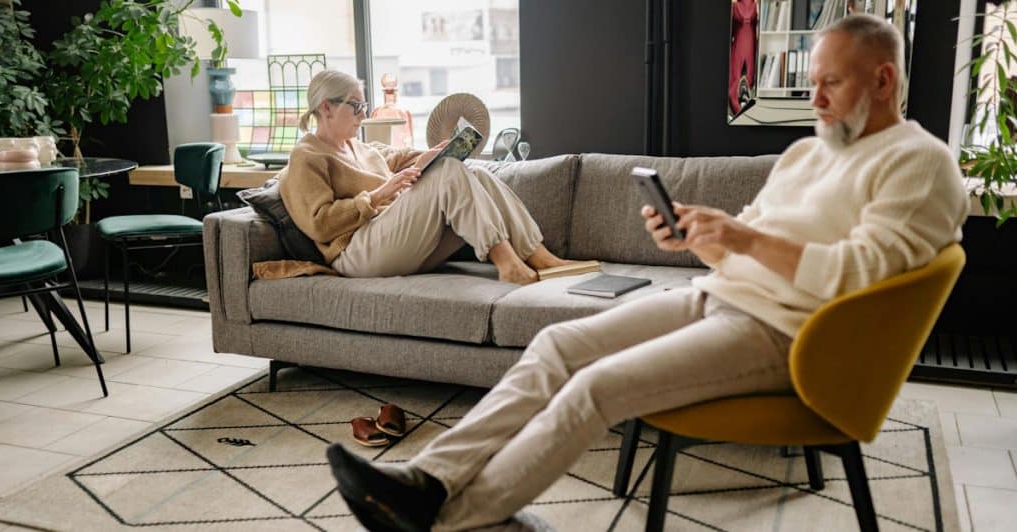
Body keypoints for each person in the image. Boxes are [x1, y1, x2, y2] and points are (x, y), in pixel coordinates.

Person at [326, 14, 969, 532]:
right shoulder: (808, 152)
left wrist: (741, 235)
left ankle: (455, 521)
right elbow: (739, 253)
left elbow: (858, 278)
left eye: (833, 83)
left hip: (792, 337)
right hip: (719, 299)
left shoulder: (919, 163)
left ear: (884, 81)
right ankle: (428, 481)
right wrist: (701, 238)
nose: (815, 98)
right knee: (556, 344)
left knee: (595, 388)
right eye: (814, 80)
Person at [279, 69, 571, 285]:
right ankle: (509, 266)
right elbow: (320, 223)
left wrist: (433, 154)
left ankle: (538, 254)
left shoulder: (360, 147)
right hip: (355, 254)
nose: (362, 114)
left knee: (477, 174)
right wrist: (378, 195)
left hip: (392, 241)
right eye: (355, 106)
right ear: (326, 108)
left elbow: (398, 157)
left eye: (364, 106)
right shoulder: (307, 156)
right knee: (448, 174)